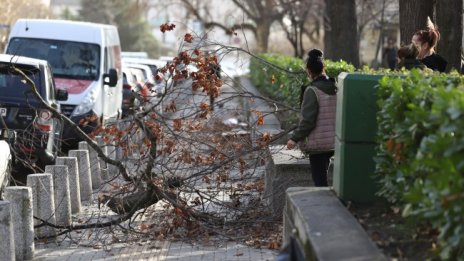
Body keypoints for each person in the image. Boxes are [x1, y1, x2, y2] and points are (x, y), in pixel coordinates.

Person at [286, 49, 336, 187]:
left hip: (318, 143)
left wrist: (294, 138)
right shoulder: (335, 86)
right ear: (323, 68)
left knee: (319, 180)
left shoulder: (312, 90)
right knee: (324, 176)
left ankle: (323, 207)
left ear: (308, 71)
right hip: (332, 142)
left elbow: (308, 121)